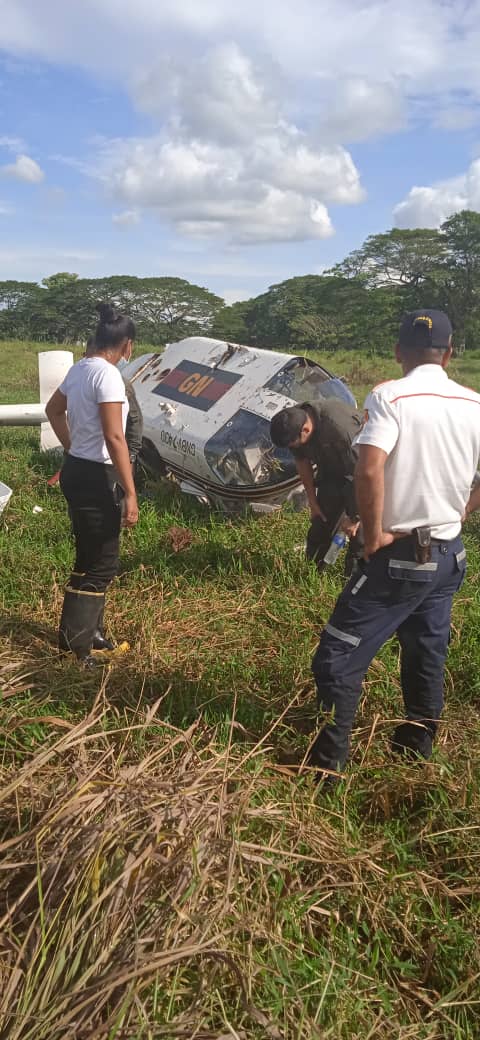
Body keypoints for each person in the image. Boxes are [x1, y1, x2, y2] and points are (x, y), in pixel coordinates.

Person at [309, 309, 480, 780]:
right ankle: (415, 751)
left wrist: (376, 530)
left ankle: (327, 767)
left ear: (398, 352)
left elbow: (368, 468)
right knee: (426, 652)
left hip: (401, 555)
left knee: (337, 657)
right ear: (448, 354)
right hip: (448, 556)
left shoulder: (389, 396)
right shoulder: (474, 403)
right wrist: (460, 512)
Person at [45, 302, 139, 665]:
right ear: (126, 345)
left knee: (88, 557)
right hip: (100, 476)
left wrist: (73, 447)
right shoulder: (109, 376)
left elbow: (54, 410)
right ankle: (80, 649)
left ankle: (87, 635)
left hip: (76, 471)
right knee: (102, 564)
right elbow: (116, 438)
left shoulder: (80, 369)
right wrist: (130, 493)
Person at [270, 399, 364, 571]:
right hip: (332, 471)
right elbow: (302, 461)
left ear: (305, 430)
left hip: (362, 473)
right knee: (321, 522)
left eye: (293, 444)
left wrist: (355, 517)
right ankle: (314, 571)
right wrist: (312, 502)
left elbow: (363, 473)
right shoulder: (291, 423)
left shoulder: (340, 429)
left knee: (360, 536)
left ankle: (353, 580)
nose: (292, 448)